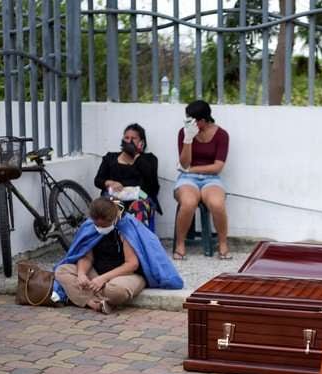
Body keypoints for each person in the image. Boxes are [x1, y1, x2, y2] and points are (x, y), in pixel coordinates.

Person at [54, 197, 183, 314]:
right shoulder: (90, 227)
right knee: (62, 270)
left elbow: (132, 264)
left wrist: (103, 279)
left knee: (116, 291)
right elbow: (86, 256)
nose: (99, 228)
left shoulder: (125, 227)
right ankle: (92, 303)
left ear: (112, 219)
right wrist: (82, 274)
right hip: (97, 274)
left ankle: (82, 296)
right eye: (96, 225)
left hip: (125, 276)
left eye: (103, 225)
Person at [174, 100, 232, 260]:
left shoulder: (221, 135)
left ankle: (222, 243)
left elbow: (217, 167)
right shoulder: (184, 133)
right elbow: (184, 163)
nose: (189, 123)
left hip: (211, 179)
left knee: (217, 204)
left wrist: (191, 169)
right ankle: (180, 244)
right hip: (187, 179)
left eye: (193, 120)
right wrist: (188, 139)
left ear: (203, 120)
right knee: (188, 203)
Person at [94, 123, 161, 230]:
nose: (129, 141)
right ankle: (115, 241)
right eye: (126, 138)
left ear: (141, 142)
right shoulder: (110, 158)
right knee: (114, 207)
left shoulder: (149, 159)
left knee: (138, 207)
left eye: (133, 138)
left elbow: (153, 186)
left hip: (140, 197)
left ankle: (135, 243)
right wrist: (110, 182)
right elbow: (98, 180)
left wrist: (136, 156)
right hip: (114, 197)